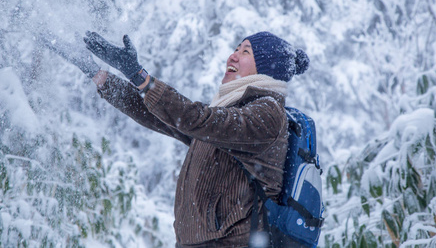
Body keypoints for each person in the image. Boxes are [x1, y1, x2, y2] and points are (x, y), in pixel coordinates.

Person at [39, 30, 309, 247]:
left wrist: (140, 76)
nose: (233, 56)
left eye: (245, 52)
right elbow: (164, 117)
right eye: (236, 48)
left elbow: (197, 119)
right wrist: (99, 75)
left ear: (266, 69)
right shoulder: (228, 111)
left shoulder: (268, 113)